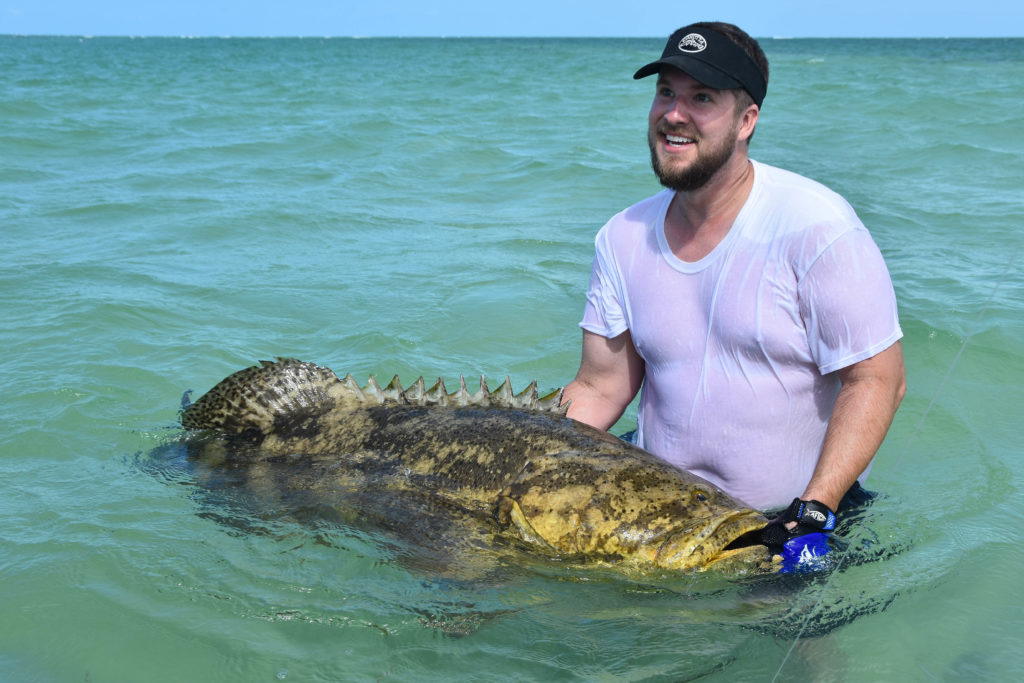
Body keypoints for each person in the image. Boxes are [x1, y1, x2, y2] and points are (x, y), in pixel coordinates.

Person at [562, 21, 906, 563]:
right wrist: (516, 454)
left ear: (747, 120)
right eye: (666, 92)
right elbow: (601, 388)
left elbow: (877, 380)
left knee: (799, 647)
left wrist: (815, 509)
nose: (674, 114)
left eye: (702, 97)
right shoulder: (621, 237)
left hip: (797, 516)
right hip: (661, 515)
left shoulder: (816, 225)